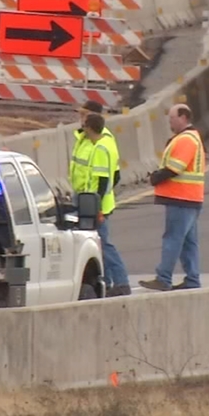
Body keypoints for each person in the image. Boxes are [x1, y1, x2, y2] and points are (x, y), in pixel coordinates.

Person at [138, 103, 205, 292]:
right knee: (188, 242)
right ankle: (192, 278)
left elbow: (175, 167)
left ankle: (163, 278)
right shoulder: (190, 138)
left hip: (181, 197)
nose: (170, 122)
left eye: (172, 119)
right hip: (190, 198)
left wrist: (155, 177)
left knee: (173, 239)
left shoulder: (186, 140)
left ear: (183, 117)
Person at [83, 113, 131, 297]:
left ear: (89, 128)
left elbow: (102, 181)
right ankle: (110, 283)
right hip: (104, 202)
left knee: (104, 245)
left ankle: (121, 282)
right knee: (102, 244)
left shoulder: (100, 148)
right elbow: (115, 176)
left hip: (98, 204)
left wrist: (96, 206)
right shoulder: (109, 143)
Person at [69, 102, 122, 202]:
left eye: (84, 115)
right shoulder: (83, 137)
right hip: (81, 194)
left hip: (92, 198)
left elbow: (113, 175)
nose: (81, 118)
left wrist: (97, 200)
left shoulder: (102, 142)